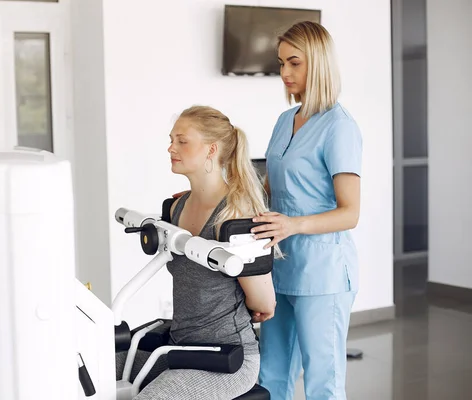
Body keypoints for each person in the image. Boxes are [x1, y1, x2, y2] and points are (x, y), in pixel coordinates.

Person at [116, 105, 279, 400]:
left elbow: (265, 303)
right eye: (171, 139)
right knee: (94, 369)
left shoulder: (235, 213)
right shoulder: (177, 207)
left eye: (182, 141)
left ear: (211, 149)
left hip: (226, 359)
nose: (170, 147)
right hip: (179, 347)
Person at [251, 21, 363, 400]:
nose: (284, 73)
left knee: (322, 384)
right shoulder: (286, 121)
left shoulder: (339, 127)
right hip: (279, 268)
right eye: (281, 63)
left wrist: (293, 224)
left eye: (294, 63)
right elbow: (266, 191)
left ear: (317, 63)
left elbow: (350, 213)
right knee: (271, 376)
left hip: (323, 274)